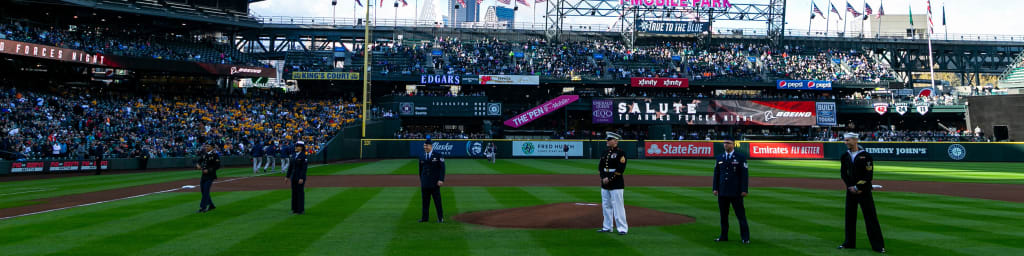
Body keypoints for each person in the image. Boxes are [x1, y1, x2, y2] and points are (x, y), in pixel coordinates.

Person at [838, 133, 886, 253]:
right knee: (849, 218)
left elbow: (869, 175)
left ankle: (878, 246)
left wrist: (858, 186)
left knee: (871, 218)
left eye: (848, 140)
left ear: (855, 140)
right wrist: (850, 186)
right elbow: (844, 173)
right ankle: (849, 243)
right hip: (851, 192)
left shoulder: (866, 156)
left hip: (864, 191)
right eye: (845, 140)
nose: (846, 143)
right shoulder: (845, 156)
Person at [713, 138, 750, 244]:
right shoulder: (720, 157)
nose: (725, 145)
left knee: (740, 215)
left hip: (736, 192)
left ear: (733, 145)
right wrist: (715, 188)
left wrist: (744, 189)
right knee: (723, 216)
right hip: (723, 191)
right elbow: (716, 174)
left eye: (728, 143)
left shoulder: (740, 157)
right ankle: (723, 236)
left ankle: (745, 237)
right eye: (724, 143)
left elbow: (744, 175)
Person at [597, 132, 628, 235]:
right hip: (605, 182)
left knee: (618, 206)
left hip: (616, 182)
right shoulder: (605, 152)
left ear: (615, 141)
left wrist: (609, 179)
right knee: (606, 205)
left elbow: (620, 169)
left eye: (609, 139)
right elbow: (600, 167)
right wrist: (603, 177)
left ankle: (622, 228)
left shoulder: (620, 153)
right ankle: (607, 227)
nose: (607, 141)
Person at [418, 139, 446, 223]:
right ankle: (424, 218)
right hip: (425, 183)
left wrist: (441, 179)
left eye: (426, 146)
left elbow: (442, 168)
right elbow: (420, 170)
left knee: (437, 202)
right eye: (424, 146)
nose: (425, 147)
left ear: (431, 146)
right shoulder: (422, 156)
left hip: (435, 183)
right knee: (425, 202)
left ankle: (440, 218)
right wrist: (422, 180)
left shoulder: (438, 155)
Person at [196, 143, 220, 213]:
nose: (206, 147)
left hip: (210, 176)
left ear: (212, 147)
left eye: (208, 146)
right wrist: (197, 165)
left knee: (206, 191)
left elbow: (217, 166)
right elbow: (199, 161)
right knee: (203, 191)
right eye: (206, 146)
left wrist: (209, 170)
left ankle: (203, 207)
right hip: (203, 175)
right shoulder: (204, 154)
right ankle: (211, 205)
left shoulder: (215, 155)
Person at [286, 141, 308, 214]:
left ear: (301, 147)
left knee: (300, 193)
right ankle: (294, 209)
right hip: (293, 177)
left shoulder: (303, 156)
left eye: (297, 146)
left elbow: (303, 168)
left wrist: (301, 178)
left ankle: (301, 209)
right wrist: (287, 176)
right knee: (294, 193)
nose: (296, 147)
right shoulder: (294, 155)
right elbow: (290, 167)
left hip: (299, 177)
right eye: (296, 146)